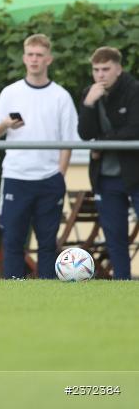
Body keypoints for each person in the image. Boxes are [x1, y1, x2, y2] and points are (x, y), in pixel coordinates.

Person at [0, 34, 79, 279]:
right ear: (24, 58)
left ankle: (46, 292)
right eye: (30, 55)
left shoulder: (61, 96)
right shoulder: (10, 92)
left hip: (49, 178)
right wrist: (6, 123)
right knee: (13, 240)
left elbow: (69, 141)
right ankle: (14, 290)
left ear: (49, 59)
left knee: (48, 243)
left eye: (39, 55)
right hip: (16, 176)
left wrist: (60, 173)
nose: (34, 60)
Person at [77, 46, 139, 280]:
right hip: (106, 178)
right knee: (115, 237)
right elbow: (84, 133)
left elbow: (134, 129)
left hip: (135, 174)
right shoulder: (89, 93)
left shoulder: (134, 90)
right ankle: (121, 284)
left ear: (118, 69)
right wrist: (89, 105)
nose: (100, 75)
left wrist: (101, 144)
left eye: (106, 69)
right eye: (96, 70)